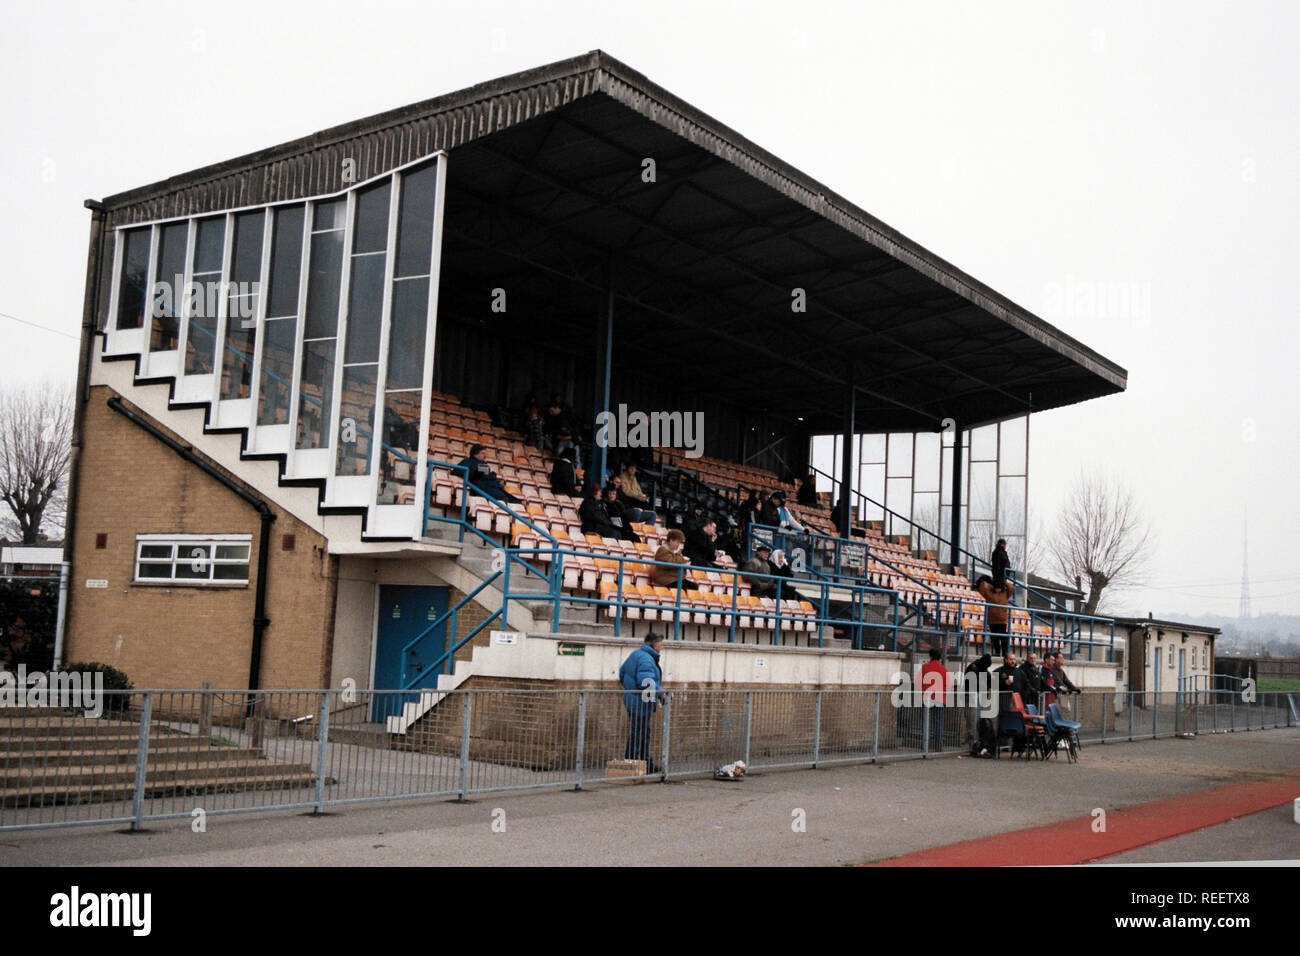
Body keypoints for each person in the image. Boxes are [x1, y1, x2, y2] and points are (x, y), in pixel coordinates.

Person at [618, 632, 665, 772]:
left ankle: (643, 762)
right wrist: (660, 692)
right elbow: (646, 681)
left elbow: (622, 673)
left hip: (632, 699)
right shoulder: (647, 659)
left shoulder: (637, 654)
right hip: (640, 702)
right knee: (639, 733)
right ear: (655, 646)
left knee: (641, 732)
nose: (662, 647)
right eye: (661, 644)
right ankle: (633, 762)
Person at [975, 574, 1015, 657]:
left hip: (1002, 619)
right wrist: (985, 580)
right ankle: (997, 652)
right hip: (992, 619)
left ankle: (1005, 653)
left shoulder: (1006, 593)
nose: (998, 589)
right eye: (996, 586)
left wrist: (1003, 581)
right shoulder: (989, 592)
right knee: (994, 637)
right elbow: (981, 589)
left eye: (999, 586)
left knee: (1003, 638)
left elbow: (1011, 588)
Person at [964, 654, 995, 756]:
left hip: (980, 697)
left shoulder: (983, 669)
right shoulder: (973, 668)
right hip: (972, 697)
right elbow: (971, 683)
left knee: (979, 721)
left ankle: (978, 743)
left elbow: (989, 682)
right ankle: (973, 743)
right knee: (972, 720)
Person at [920, 647, 950, 751]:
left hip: (927, 698)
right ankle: (938, 746)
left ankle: (925, 745)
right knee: (938, 723)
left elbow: (919, 682)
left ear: (931, 656)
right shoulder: (944, 670)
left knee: (926, 722)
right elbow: (948, 686)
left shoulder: (925, 667)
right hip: (940, 699)